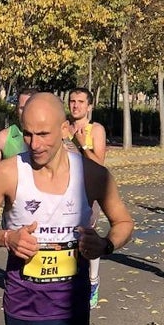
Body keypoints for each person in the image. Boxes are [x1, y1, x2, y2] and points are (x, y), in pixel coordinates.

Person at [0, 92, 134, 325]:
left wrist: (105, 244)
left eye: (43, 134)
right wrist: (7, 238)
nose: (35, 144)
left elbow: (124, 222)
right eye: (28, 134)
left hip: (69, 310)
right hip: (21, 308)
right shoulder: (8, 173)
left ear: (65, 128)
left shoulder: (92, 175)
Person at [65, 87, 106, 308]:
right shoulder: (63, 127)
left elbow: (99, 165)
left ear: (89, 106)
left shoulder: (95, 130)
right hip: (63, 190)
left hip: (88, 191)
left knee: (86, 236)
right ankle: (69, 281)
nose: (76, 105)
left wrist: (81, 145)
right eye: (72, 101)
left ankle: (93, 280)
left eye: (81, 101)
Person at [0, 88, 38, 179]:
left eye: (29, 108)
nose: (25, 112)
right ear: (16, 109)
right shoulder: (4, 137)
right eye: (22, 108)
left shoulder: (50, 136)